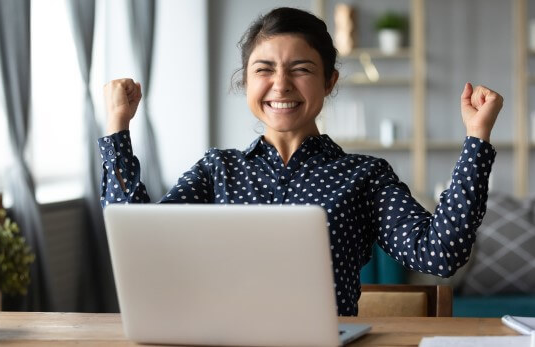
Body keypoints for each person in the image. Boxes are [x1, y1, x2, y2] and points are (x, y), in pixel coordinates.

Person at [97, 7, 503, 316]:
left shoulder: (365, 175)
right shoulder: (216, 170)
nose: (281, 84)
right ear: (247, 82)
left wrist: (477, 139)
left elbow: (441, 254)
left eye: (301, 69)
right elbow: (142, 245)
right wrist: (117, 129)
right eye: (264, 70)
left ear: (329, 81)